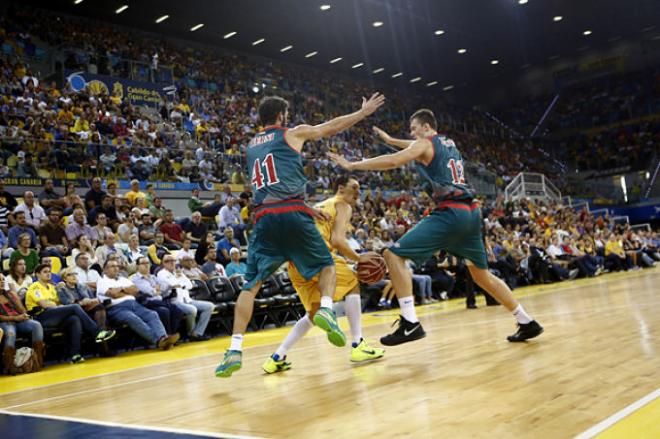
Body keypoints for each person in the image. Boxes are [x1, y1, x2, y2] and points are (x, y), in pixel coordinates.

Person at [328, 109, 543, 345]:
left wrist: (353, 165)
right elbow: (414, 147)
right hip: (472, 213)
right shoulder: (448, 143)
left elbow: (394, 160)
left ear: (426, 127)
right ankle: (526, 321)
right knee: (482, 276)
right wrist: (390, 140)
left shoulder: (424, 143)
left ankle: (410, 323)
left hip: (451, 213)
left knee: (393, 254)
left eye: (413, 128)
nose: (411, 133)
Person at [215, 92, 385, 377]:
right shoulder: (291, 133)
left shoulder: (251, 146)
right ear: (281, 116)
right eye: (287, 114)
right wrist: (362, 112)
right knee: (328, 266)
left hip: (264, 220)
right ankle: (329, 310)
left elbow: (272, 188)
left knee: (250, 287)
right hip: (292, 216)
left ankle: (234, 349)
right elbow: (328, 128)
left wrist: (305, 207)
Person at [262, 176, 384, 374]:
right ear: (341, 188)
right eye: (354, 188)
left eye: (360, 188)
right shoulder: (342, 205)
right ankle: (358, 345)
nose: (358, 193)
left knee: (314, 312)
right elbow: (337, 240)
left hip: (294, 260)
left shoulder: (320, 205)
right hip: (317, 254)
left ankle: (277, 356)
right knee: (353, 282)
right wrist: (359, 258)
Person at [25, 264, 116, 364]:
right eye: (45, 272)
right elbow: (45, 305)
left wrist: (54, 303)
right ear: (38, 274)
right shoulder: (35, 287)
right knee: (75, 307)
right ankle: (97, 332)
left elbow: (58, 303)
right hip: (42, 317)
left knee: (74, 319)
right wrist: (54, 304)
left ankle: (75, 354)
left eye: (49, 271)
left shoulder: (51, 287)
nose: (48, 274)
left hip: (54, 314)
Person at [97, 260, 179, 349]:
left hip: (135, 304)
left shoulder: (123, 279)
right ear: (105, 269)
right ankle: (159, 341)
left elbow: (135, 291)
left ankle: (164, 337)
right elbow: (113, 294)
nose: (116, 268)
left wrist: (120, 289)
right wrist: (127, 291)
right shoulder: (102, 281)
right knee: (133, 318)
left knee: (152, 314)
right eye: (112, 266)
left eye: (117, 266)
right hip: (117, 308)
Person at [157, 255, 213, 341]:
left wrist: (181, 283)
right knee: (192, 310)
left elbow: (190, 285)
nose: (171, 262)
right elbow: (172, 284)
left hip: (187, 299)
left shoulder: (178, 272)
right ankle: (191, 334)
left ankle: (197, 332)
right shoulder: (161, 274)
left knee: (209, 306)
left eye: (173, 260)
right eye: (167, 261)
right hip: (173, 301)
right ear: (163, 264)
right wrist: (181, 283)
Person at [0, 273, 44, 374]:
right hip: (4, 322)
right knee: (11, 333)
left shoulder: (9, 294)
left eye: (3, 280)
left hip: (18, 320)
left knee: (36, 325)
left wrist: (24, 314)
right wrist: (15, 317)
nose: (2, 282)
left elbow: (22, 310)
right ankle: (10, 366)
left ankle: (38, 360)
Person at [132, 257, 184, 337]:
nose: (146, 265)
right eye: (143, 263)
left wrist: (157, 289)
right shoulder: (135, 279)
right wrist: (156, 289)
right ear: (137, 266)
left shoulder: (153, 277)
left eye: (147, 263)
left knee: (178, 310)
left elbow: (165, 286)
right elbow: (149, 291)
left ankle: (171, 334)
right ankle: (167, 335)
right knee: (164, 311)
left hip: (160, 301)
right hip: (147, 303)